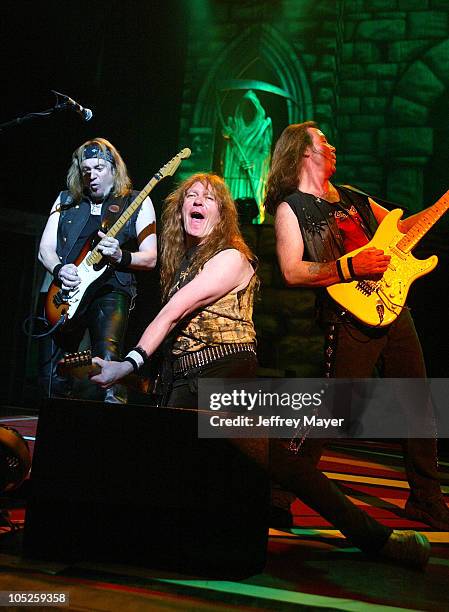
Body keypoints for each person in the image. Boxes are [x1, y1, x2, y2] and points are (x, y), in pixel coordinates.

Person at [91, 172, 430, 568]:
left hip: (225, 375)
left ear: (222, 214)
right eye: (191, 197)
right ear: (179, 209)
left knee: (287, 466)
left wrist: (128, 362)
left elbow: (173, 312)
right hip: (184, 383)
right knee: (178, 476)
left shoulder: (231, 256)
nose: (197, 202)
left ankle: (380, 539)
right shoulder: (183, 262)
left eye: (208, 198)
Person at [265, 121, 449, 531]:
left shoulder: (354, 198)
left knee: (417, 402)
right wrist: (350, 266)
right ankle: (279, 495)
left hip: (392, 308)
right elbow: (292, 271)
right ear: (303, 152)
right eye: (322, 141)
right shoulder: (292, 207)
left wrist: (443, 204)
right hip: (347, 313)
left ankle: (426, 498)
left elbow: (402, 230)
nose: (331, 145)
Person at [38, 137, 157, 403]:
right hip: (66, 291)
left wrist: (120, 255)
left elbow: (150, 258)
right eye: (86, 170)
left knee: (108, 363)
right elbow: (44, 248)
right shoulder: (65, 200)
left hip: (111, 289)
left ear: (115, 168)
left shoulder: (136, 202)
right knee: (51, 374)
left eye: (99, 168)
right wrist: (59, 269)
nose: (92, 175)